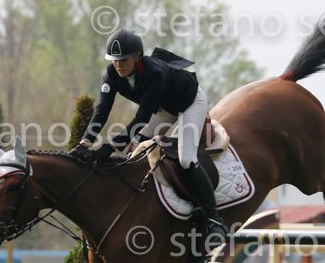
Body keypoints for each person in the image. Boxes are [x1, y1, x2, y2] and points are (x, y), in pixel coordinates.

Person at [70, 28, 228, 244]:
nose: (118, 65)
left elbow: (142, 118)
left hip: (190, 103)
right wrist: (85, 142)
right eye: (115, 60)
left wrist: (111, 145)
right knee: (135, 153)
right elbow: (102, 110)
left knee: (186, 158)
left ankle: (215, 220)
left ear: (137, 57)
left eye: (124, 60)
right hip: (165, 107)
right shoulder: (111, 75)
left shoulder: (155, 73)